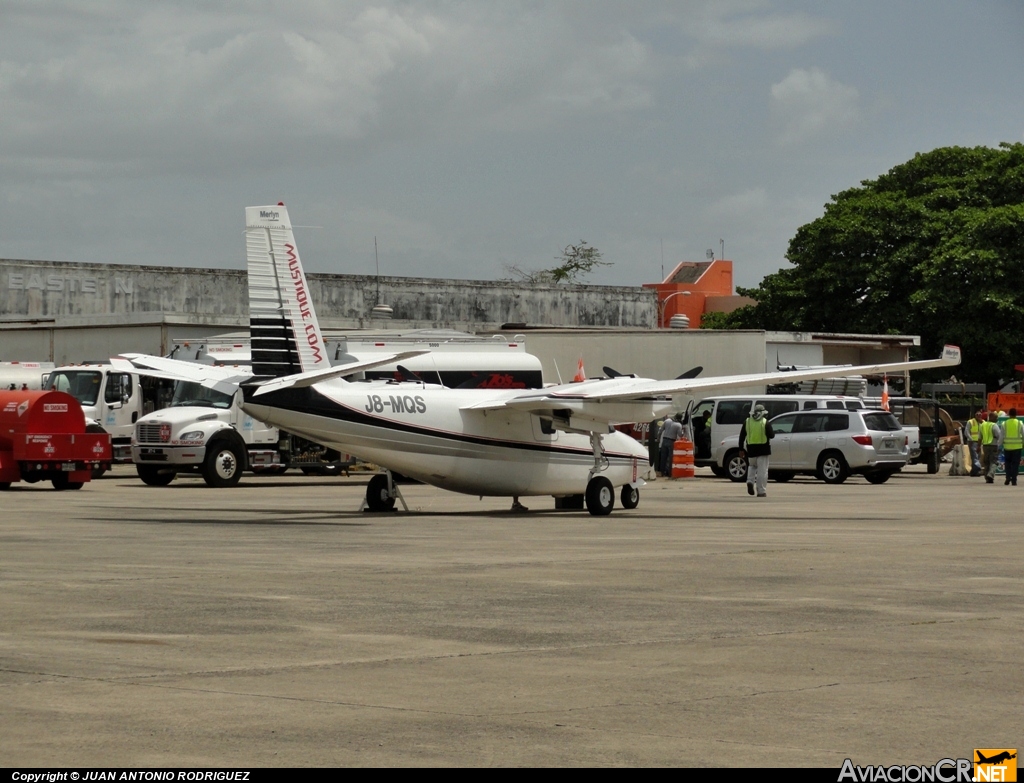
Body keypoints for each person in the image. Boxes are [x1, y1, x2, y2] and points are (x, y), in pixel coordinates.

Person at [738, 404, 774, 498]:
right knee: (762, 471)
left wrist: (741, 449)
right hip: (763, 450)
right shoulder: (765, 422)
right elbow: (771, 435)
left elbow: (741, 436)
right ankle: (761, 491)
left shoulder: (747, 421)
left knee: (752, 466)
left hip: (751, 450)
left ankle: (750, 481)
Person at [1001, 408, 1023, 486]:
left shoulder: (1004, 423)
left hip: (1007, 447)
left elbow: (1001, 436)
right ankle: (1014, 480)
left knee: (1007, 463)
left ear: (1009, 414)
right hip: (1017, 447)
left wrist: (999, 445)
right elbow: (1023, 435)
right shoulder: (1020, 423)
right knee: (1015, 464)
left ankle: (1007, 477)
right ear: (1016, 414)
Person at [979, 412, 1002, 484]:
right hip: (993, 445)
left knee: (987, 462)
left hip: (985, 446)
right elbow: (999, 436)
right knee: (994, 461)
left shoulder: (983, 425)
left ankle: (987, 478)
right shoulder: (994, 425)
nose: (997, 419)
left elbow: (980, 437)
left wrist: (978, 446)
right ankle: (990, 475)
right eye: (996, 417)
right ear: (991, 417)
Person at [659, 413, 683, 477]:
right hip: (672, 441)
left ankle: (662, 472)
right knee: (670, 458)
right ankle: (670, 473)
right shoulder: (678, 425)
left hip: (664, 440)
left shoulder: (667, 421)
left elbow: (660, 430)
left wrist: (658, 439)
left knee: (663, 457)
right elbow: (680, 435)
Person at [964, 410, 985, 477]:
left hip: (980, 442)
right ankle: (978, 470)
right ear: (975, 415)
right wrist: (971, 439)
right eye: (977, 414)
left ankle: (973, 472)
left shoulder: (983, 422)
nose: (979, 416)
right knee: (975, 456)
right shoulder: (970, 422)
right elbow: (966, 432)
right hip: (972, 442)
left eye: (980, 415)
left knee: (977, 457)